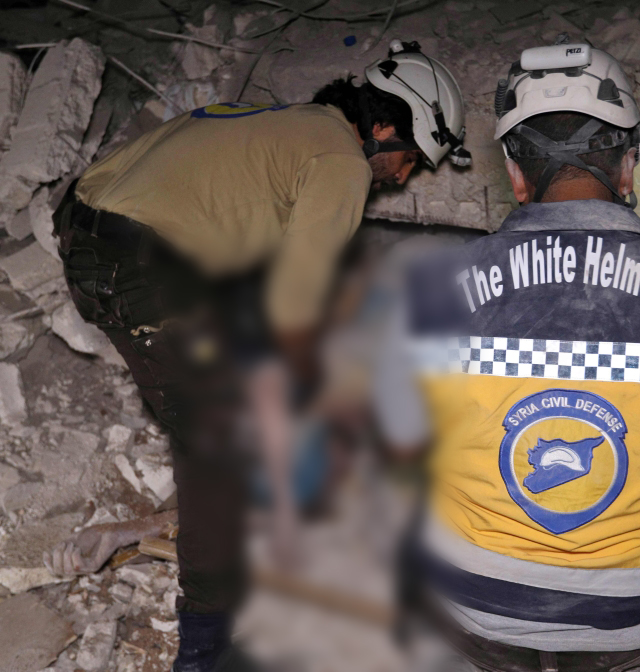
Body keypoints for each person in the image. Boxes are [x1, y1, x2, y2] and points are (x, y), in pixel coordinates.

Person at [44, 39, 468, 672]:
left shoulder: (279, 127)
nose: (403, 176)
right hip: (141, 268)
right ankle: (205, 650)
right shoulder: (341, 160)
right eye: (408, 158)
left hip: (86, 236)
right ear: (382, 126)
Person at [389, 43, 640, 671]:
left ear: (514, 174)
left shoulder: (425, 288)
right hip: (629, 622)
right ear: (628, 168)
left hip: (468, 611)